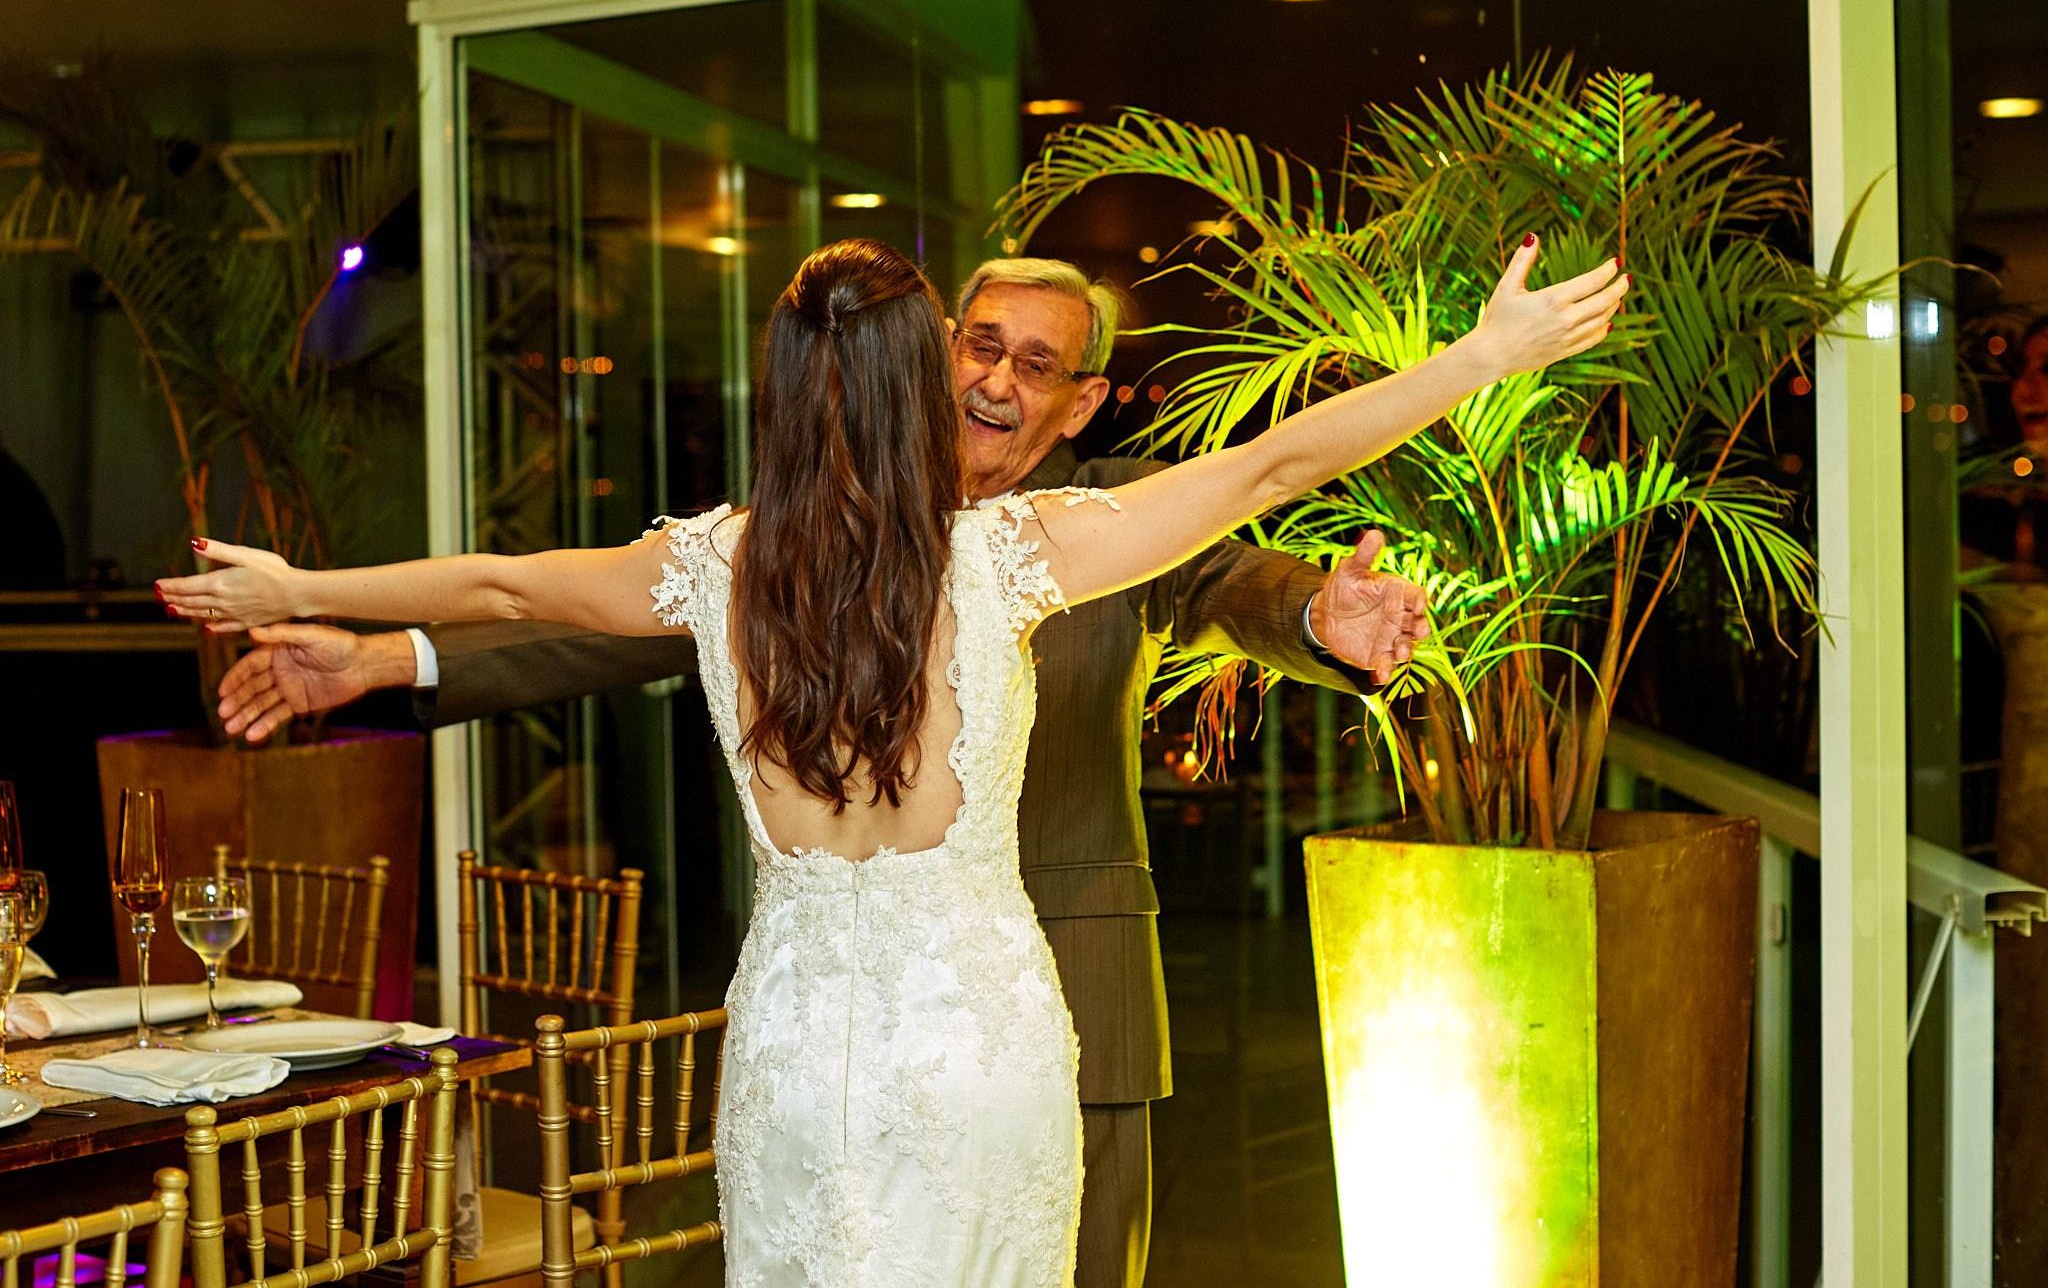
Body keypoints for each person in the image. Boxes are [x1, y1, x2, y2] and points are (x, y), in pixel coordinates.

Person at [171, 237, 1625, 1286]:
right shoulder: (1021, 557)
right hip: (986, 1050)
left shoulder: (718, 566)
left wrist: (308, 584)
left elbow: (497, 585)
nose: (985, 379)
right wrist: (1483, 356)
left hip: (800, 1058)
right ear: (911, 389)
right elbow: (1271, 467)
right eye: (960, 353)